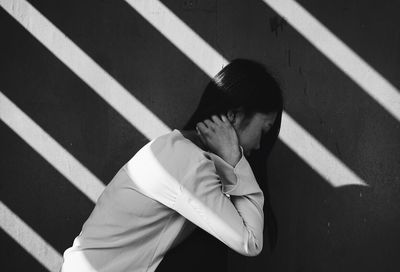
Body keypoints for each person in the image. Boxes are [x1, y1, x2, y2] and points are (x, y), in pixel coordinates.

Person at [60, 58, 284, 272]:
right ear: (233, 115)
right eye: (263, 130)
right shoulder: (188, 162)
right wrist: (235, 159)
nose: (260, 144)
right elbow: (250, 241)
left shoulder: (181, 151)